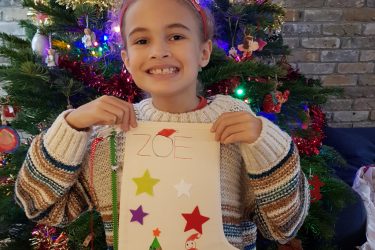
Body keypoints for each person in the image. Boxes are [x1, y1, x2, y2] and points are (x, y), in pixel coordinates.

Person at [15, 0, 309, 249]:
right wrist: (72, 126)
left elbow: (284, 226)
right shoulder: (111, 136)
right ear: (127, 60)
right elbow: (38, 204)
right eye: (142, 40)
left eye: (176, 37)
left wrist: (266, 143)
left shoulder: (236, 124)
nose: (159, 51)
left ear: (204, 52)